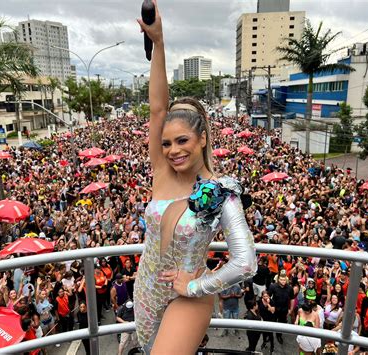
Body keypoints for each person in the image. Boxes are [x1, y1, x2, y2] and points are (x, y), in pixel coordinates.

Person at [134, 2, 257, 353]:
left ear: (202, 138)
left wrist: (196, 287)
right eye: (167, 143)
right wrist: (159, 43)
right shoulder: (161, 171)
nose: (173, 150)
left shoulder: (221, 192)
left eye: (183, 140)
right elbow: (158, 108)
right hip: (146, 290)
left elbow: (245, 262)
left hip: (187, 296)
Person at [268, 273, 294, 344]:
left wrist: (291, 309)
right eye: (281, 280)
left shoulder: (290, 288)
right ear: (278, 280)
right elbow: (267, 297)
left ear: (286, 280)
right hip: (275, 309)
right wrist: (270, 307)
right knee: (271, 322)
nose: (283, 281)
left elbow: (292, 299)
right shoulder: (273, 286)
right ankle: (269, 335)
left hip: (284, 310)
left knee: (281, 323)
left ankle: (279, 335)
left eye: (284, 280)